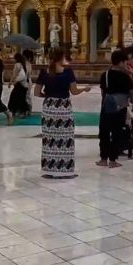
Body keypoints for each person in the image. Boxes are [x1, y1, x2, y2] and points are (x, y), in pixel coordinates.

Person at [34, 48, 90, 178]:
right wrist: (84, 89)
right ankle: (65, 170)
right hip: (63, 108)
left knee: (49, 139)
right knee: (65, 139)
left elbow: (37, 92)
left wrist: (48, 97)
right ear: (62, 57)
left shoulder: (44, 72)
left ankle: (50, 169)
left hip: (49, 107)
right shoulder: (68, 72)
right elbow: (74, 91)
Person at [99, 49, 133, 168]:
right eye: (126, 62)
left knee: (104, 132)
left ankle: (103, 159)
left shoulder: (105, 74)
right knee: (116, 132)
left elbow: (103, 92)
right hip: (120, 107)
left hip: (106, 106)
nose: (127, 65)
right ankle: (113, 160)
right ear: (120, 62)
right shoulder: (124, 77)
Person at [8, 52, 31, 119]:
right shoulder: (24, 64)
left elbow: (14, 75)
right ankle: (24, 111)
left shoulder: (17, 65)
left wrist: (10, 82)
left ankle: (14, 112)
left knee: (13, 97)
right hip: (25, 84)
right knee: (22, 99)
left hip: (19, 84)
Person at [22, 49, 35, 113]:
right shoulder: (27, 64)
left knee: (26, 96)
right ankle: (27, 109)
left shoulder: (27, 64)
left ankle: (27, 110)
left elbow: (25, 73)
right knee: (26, 96)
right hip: (27, 80)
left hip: (26, 81)